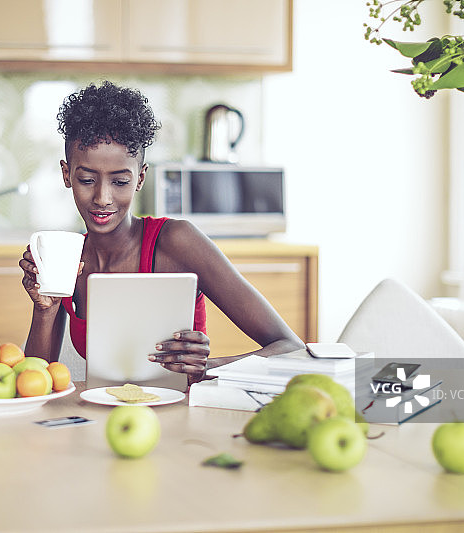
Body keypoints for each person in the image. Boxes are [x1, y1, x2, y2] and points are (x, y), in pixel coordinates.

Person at [20, 80, 304, 386]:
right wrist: (44, 308)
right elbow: (35, 381)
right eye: (87, 179)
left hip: (183, 420)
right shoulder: (67, 259)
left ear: (140, 178)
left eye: (120, 181)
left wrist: (208, 368)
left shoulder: (176, 242)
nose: (102, 197)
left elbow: (290, 348)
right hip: (103, 418)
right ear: (67, 174)